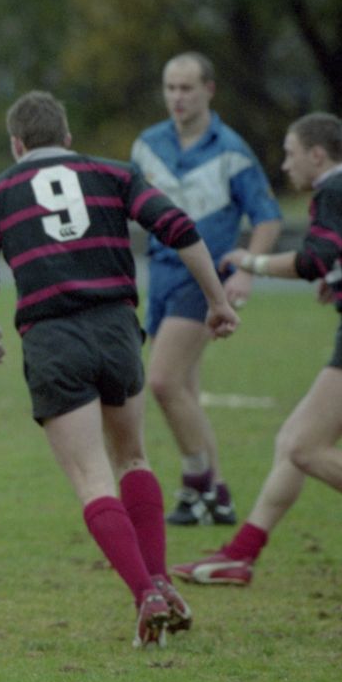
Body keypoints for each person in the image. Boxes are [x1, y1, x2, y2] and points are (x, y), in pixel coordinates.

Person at [0, 91, 237, 647]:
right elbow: (179, 227)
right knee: (133, 457)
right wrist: (218, 301)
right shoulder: (114, 174)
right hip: (116, 330)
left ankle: (146, 595)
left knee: (92, 478)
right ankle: (161, 581)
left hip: (52, 338)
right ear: (68, 138)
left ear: (16, 145)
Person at [172, 112, 342, 591]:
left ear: (318, 155)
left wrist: (251, 261)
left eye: (290, 153)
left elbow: (312, 259)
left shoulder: (334, 191)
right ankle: (241, 555)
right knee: (292, 445)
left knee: (303, 447)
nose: (284, 164)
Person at [131, 52, 283, 527]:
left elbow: (268, 218)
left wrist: (247, 271)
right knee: (185, 392)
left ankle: (198, 484)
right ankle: (216, 498)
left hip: (204, 280)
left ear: (208, 90)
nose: (177, 97)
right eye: (170, 88)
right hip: (160, 277)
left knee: (162, 381)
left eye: (186, 88)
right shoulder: (147, 146)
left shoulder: (232, 150)